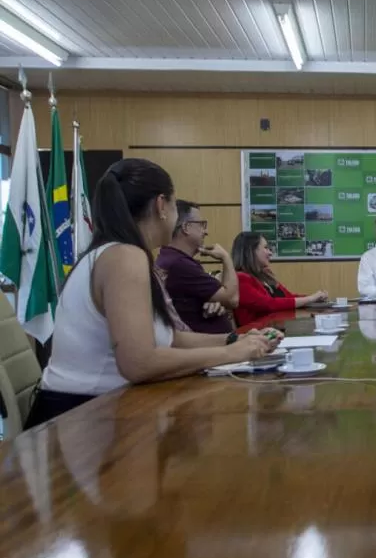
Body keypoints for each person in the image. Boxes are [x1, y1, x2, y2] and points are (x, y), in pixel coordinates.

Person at [24, 159, 279, 428]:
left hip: (105, 409)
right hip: (79, 417)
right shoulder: (124, 257)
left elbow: (169, 337)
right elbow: (139, 362)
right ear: (161, 206)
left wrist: (233, 340)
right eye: (174, 205)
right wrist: (233, 354)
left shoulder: (117, 253)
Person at [156, 200, 239, 333]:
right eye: (202, 225)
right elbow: (232, 299)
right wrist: (226, 258)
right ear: (186, 227)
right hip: (204, 344)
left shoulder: (172, 258)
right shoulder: (180, 264)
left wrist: (214, 301)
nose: (206, 232)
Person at [231, 232, 328, 326]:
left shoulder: (263, 276)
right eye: (266, 248)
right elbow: (269, 304)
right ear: (251, 251)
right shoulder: (241, 279)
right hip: (256, 332)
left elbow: (288, 297)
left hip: (274, 328)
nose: (270, 253)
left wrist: (314, 299)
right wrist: (310, 299)